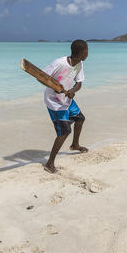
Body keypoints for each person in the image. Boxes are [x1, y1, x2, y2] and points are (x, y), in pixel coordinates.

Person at [42, 39, 89, 173]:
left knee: (80, 118)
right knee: (64, 131)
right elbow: (41, 77)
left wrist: (72, 92)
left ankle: (75, 145)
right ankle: (49, 163)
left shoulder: (79, 64)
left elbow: (79, 83)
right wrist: (53, 87)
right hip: (54, 102)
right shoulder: (59, 63)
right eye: (86, 51)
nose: (88, 54)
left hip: (66, 99)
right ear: (80, 53)